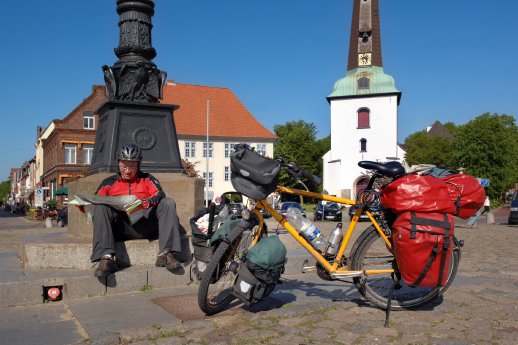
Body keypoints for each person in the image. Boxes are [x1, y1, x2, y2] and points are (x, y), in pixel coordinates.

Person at [91, 144, 184, 277]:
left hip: (145, 225)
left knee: (168, 202)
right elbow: (97, 198)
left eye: (132, 166)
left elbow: (159, 194)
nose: (128, 171)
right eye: (124, 166)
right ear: (118, 164)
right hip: (120, 228)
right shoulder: (108, 182)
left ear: (138, 165)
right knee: (100, 207)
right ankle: (106, 258)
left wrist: (148, 202)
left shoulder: (147, 179)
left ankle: (166, 254)